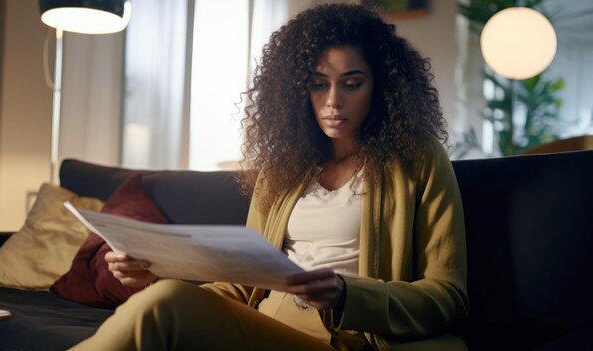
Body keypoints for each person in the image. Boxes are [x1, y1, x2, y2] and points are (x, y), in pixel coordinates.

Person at [71, 3, 468, 351]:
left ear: (379, 87)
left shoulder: (417, 160)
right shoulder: (285, 168)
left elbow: (447, 297)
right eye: (318, 84)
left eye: (352, 83)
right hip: (265, 327)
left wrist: (348, 294)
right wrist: (150, 277)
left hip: (349, 337)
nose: (333, 101)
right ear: (298, 90)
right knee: (165, 299)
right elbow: (244, 288)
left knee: (165, 306)